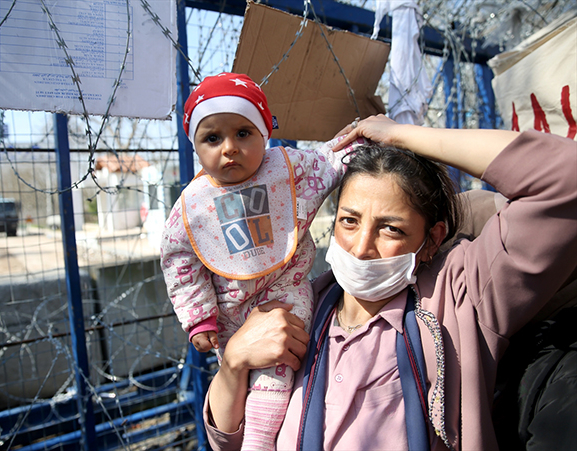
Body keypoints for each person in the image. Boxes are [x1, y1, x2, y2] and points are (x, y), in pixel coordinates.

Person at [203, 115, 577, 450]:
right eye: (349, 221)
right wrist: (234, 363)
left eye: (390, 228)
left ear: (431, 240)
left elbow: (566, 177)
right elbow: (228, 441)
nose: (362, 247)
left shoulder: (462, 296)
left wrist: (403, 135)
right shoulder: (301, 309)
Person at [160, 72, 354, 450]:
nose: (229, 147)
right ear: (195, 145)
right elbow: (180, 263)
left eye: (243, 133)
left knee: (275, 376)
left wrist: (357, 145)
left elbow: (328, 162)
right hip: (230, 313)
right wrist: (199, 317)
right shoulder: (192, 207)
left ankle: (259, 443)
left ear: (265, 132)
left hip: (285, 290)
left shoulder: (288, 169)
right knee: (237, 381)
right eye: (212, 138)